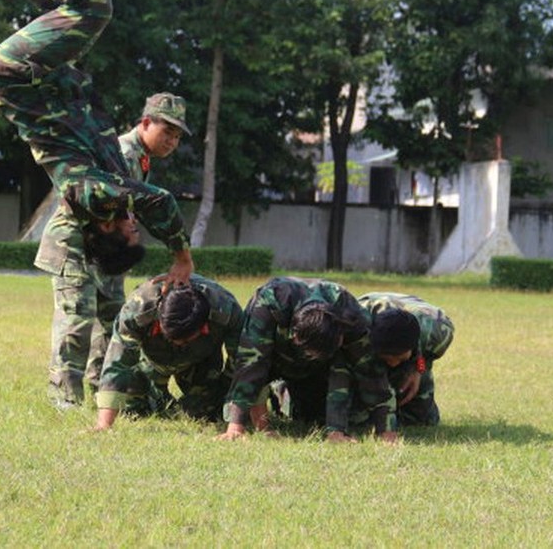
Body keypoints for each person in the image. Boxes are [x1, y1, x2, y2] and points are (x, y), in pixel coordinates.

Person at [0, 0, 194, 370]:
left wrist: (182, 256)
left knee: (93, 7)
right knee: (67, 6)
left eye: (131, 233)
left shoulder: (91, 193)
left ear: (108, 229)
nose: (135, 227)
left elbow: (159, 202)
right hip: (44, 79)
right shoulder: (108, 179)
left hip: (20, 77)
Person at [35, 92, 191, 408]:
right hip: (76, 241)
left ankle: (103, 389)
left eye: (177, 136)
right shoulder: (122, 152)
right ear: (145, 123)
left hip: (107, 247)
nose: (172, 142)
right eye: (167, 132)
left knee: (114, 320)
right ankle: (64, 398)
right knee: (77, 318)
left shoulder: (139, 158)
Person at [218, 277, 398, 443]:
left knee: (317, 416)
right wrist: (236, 426)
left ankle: (289, 396)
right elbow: (252, 363)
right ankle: (272, 399)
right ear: (295, 336)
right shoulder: (270, 302)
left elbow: (371, 372)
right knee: (220, 408)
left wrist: (386, 431)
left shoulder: (352, 316)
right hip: (276, 357)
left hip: (318, 371)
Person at [94, 274, 244, 430]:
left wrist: (231, 410)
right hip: (152, 361)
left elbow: (242, 364)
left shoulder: (226, 310)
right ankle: (155, 393)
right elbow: (118, 363)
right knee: (132, 409)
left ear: (204, 327)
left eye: (185, 340)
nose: (178, 344)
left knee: (207, 413)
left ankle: (197, 397)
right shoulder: (138, 309)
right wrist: (104, 424)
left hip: (201, 362)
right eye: (171, 337)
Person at [357, 292, 455, 426]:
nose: (393, 364)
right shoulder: (360, 323)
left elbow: (425, 355)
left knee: (424, 420)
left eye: (398, 358)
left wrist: (419, 368)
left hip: (416, 323)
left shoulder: (439, 333)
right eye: (388, 357)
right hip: (373, 323)